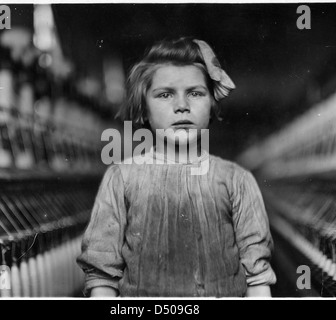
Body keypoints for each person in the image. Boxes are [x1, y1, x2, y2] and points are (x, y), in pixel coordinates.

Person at [76, 37, 276, 297]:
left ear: (211, 104)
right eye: (165, 94)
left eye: (195, 93)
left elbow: (258, 282)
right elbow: (102, 281)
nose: (182, 105)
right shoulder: (121, 178)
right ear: (144, 109)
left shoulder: (237, 180)